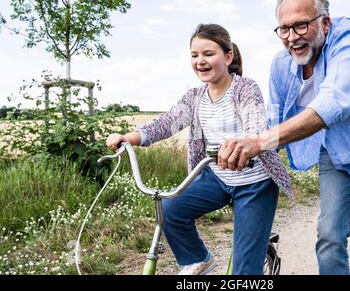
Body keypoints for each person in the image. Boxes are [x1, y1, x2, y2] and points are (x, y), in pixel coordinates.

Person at [218, 0, 350, 275]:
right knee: (329, 235)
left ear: (325, 22)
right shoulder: (281, 64)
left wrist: (260, 143)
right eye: (283, 29)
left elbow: (335, 102)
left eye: (300, 26)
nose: (292, 38)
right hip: (337, 155)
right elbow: (274, 120)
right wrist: (244, 144)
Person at [106, 24, 292, 275]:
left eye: (208, 54)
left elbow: (255, 125)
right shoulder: (194, 97)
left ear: (228, 57)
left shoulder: (245, 89)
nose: (200, 61)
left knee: (244, 272)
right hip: (216, 175)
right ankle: (197, 259)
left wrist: (246, 147)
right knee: (170, 211)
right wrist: (128, 138)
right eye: (194, 55)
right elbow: (166, 123)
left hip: (254, 182)